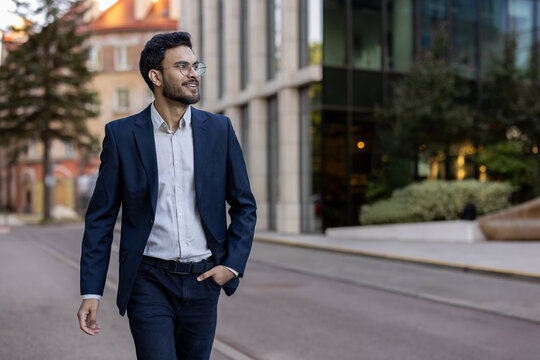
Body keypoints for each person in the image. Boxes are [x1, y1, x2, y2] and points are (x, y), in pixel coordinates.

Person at [77, 32, 257, 360]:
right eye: (182, 66)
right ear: (156, 76)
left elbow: (244, 205)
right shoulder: (121, 136)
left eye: (195, 65)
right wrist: (92, 291)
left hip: (204, 279)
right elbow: (101, 218)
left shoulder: (220, 131)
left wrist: (231, 266)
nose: (194, 73)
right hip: (149, 281)